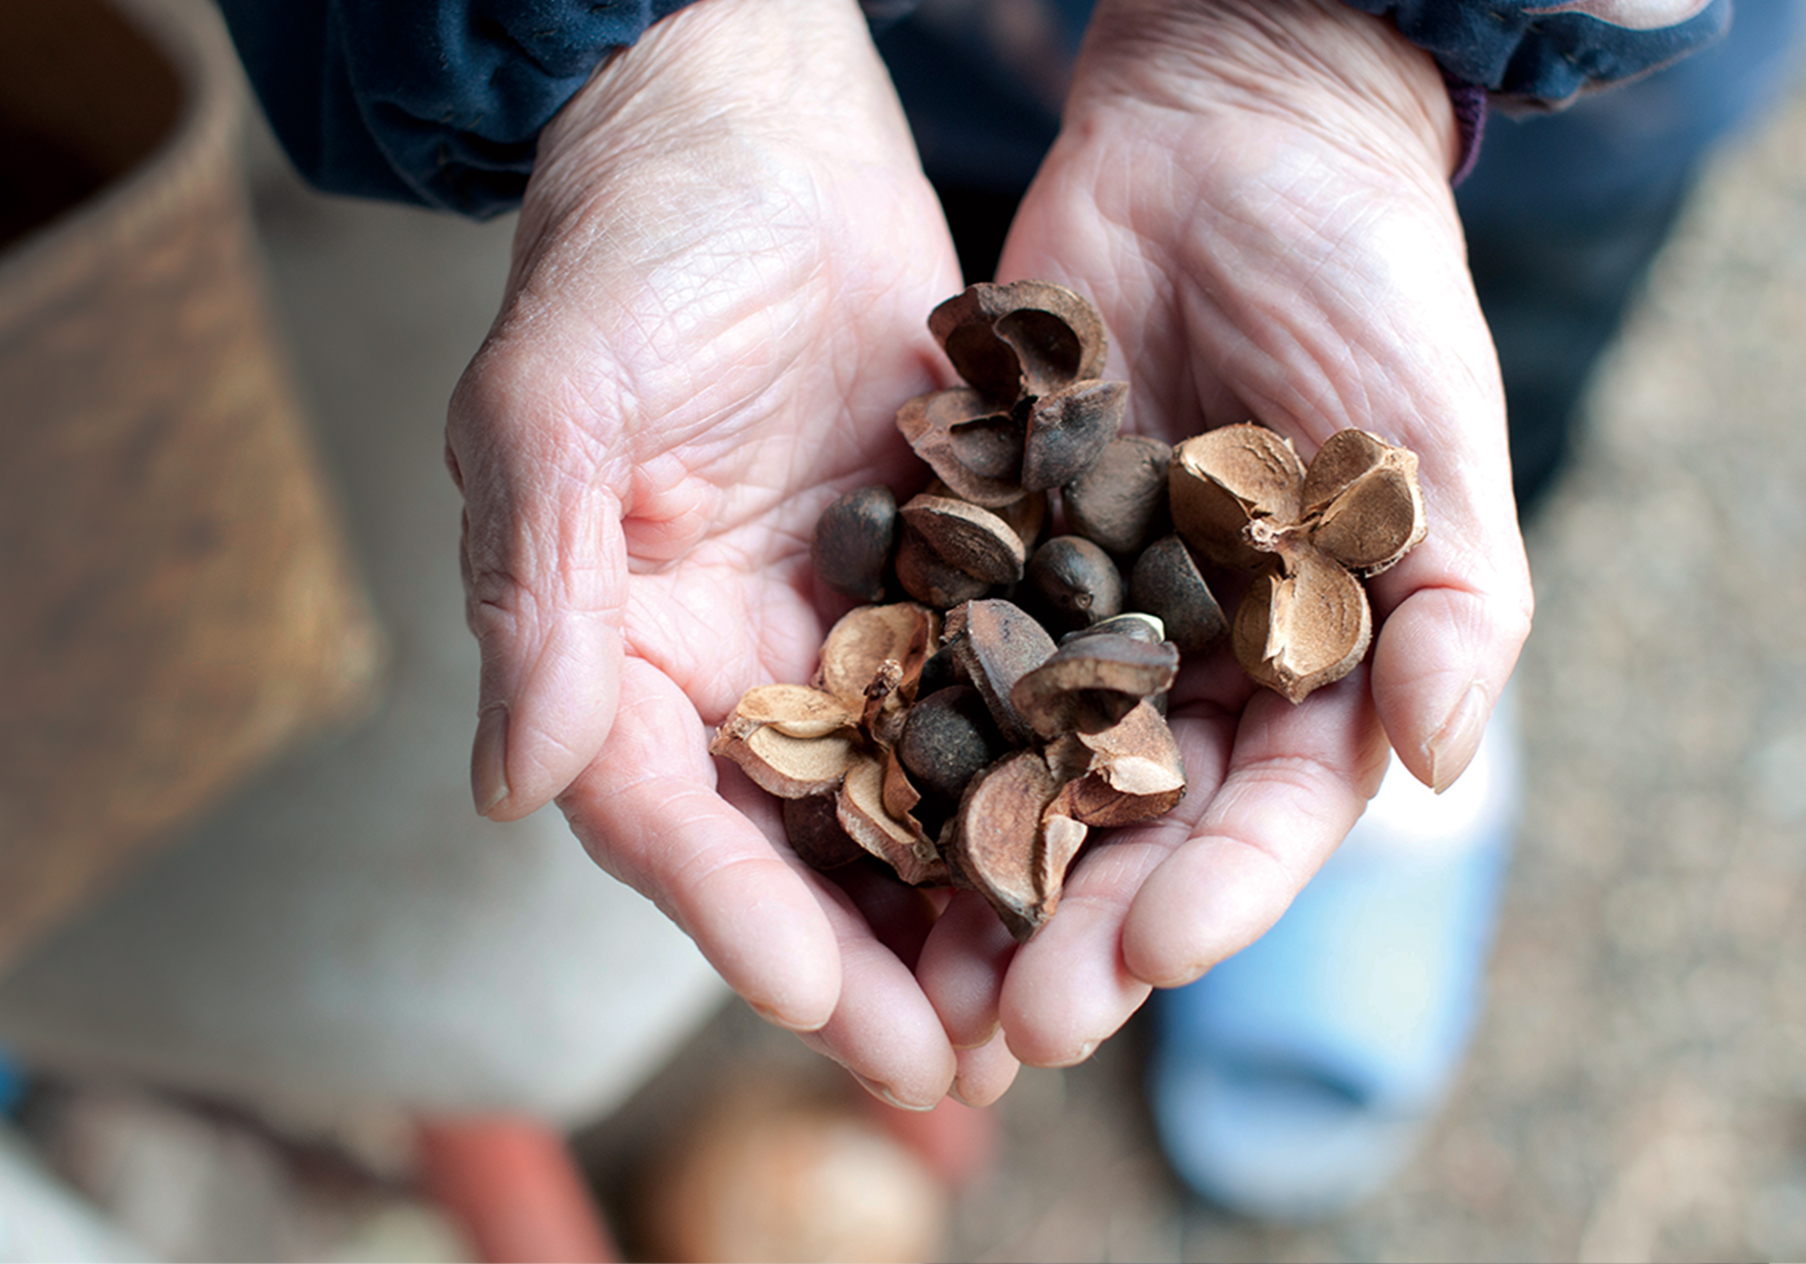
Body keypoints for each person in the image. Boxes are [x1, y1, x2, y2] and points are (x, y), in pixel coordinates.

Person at [21, 0, 1773, 1227]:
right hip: (826, 61)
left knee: (1486, 369)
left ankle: (1409, 728)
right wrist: (644, 68)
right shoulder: (976, 568)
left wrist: (1343, 49)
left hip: (1516, 88)